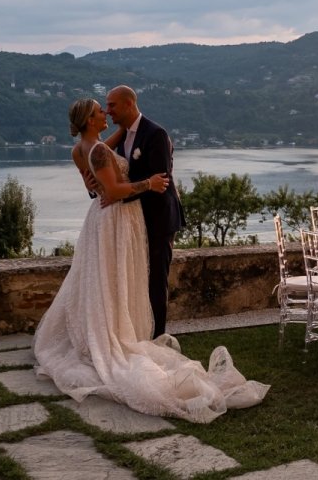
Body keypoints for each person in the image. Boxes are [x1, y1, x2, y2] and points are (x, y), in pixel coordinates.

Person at [33, 98, 269, 424]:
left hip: (100, 223)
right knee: (116, 278)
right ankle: (115, 335)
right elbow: (112, 191)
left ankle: (105, 328)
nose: (106, 112)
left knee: (105, 280)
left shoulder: (81, 149)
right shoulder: (99, 150)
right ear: (90, 119)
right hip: (115, 217)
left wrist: (122, 130)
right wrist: (150, 183)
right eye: (101, 111)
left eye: (110, 107)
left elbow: (99, 166)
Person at [105, 85, 185, 338]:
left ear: (129, 104)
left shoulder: (155, 133)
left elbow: (159, 181)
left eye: (112, 105)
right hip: (136, 219)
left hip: (158, 219)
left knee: (156, 281)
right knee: (138, 278)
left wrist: (119, 193)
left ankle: (158, 337)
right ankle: (140, 330)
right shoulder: (123, 136)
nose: (108, 111)